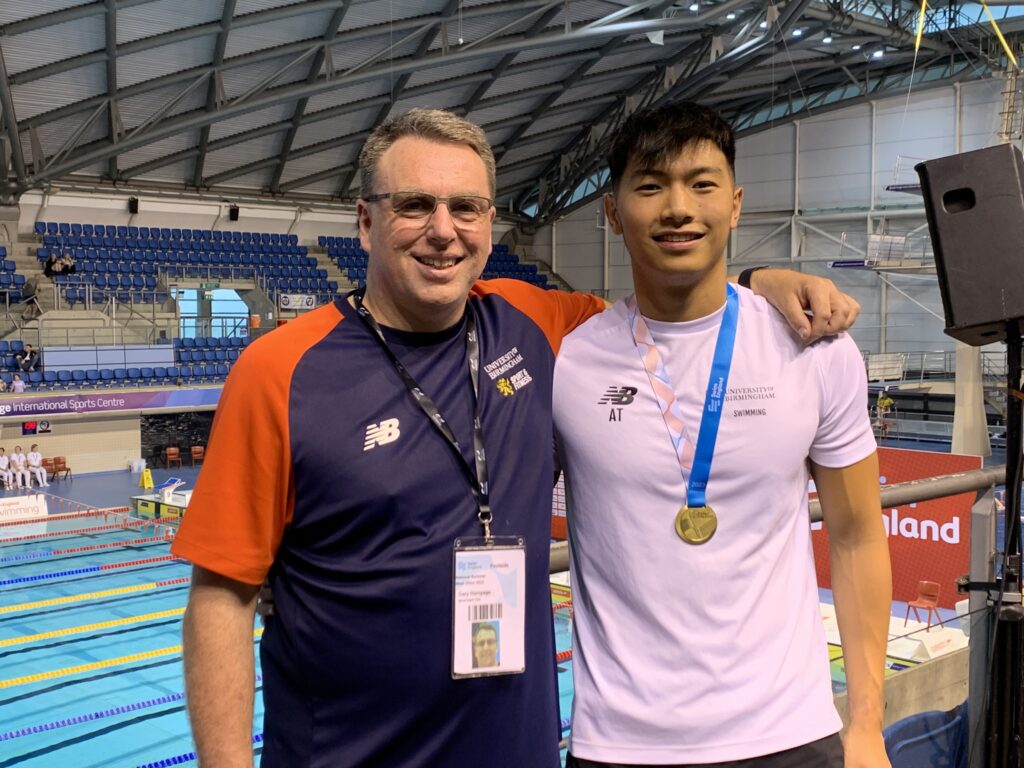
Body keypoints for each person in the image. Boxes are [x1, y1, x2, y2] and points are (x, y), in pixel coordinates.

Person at [170, 108, 860, 767]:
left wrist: (762, 280)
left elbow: (677, 298)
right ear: (365, 221)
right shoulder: (281, 371)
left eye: (465, 208)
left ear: (490, 224)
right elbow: (220, 599)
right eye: (414, 205)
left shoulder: (533, 323)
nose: (443, 230)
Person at [553, 101, 892, 768]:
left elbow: (857, 536)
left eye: (702, 185)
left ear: (735, 205)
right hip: (620, 743)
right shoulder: (568, 358)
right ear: (613, 213)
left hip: (789, 732)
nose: (679, 208)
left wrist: (867, 724)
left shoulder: (816, 349)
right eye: (650, 185)